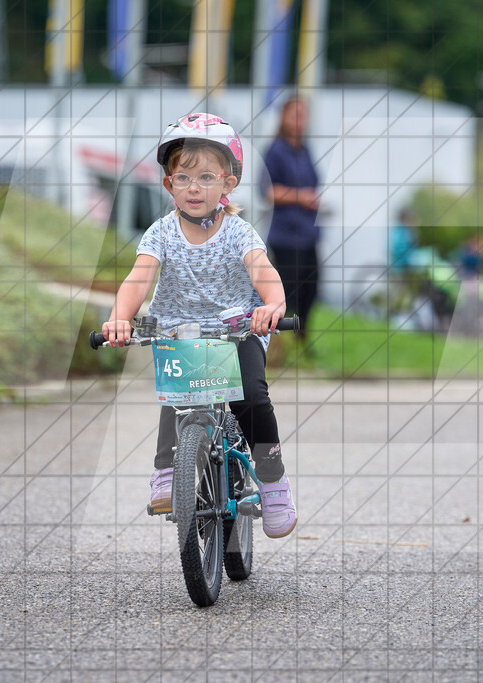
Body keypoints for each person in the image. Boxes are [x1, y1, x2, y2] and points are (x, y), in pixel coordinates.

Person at [100, 113, 297, 538]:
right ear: (168, 184)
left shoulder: (239, 233)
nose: (194, 186)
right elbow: (139, 278)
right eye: (183, 177)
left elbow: (262, 271)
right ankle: (168, 470)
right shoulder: (161, 234)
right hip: (179, 332)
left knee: (252, 397)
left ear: (228, 184)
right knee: (177, 396)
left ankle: (272, 476)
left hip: (237, 329)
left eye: (206, 177)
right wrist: (120, 316)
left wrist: (273, 304)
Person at [261, 97, 322, 348]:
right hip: (286, 235)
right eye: (295, 115)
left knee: (311, 289)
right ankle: (278, 344)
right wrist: (300, 197)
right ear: (283, 118)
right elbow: (266, 191)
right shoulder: (275, 150)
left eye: (303, 115)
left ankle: (300, 340)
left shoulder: (305, 150)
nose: (300, 121)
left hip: (309, 233)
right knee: (286, 293)